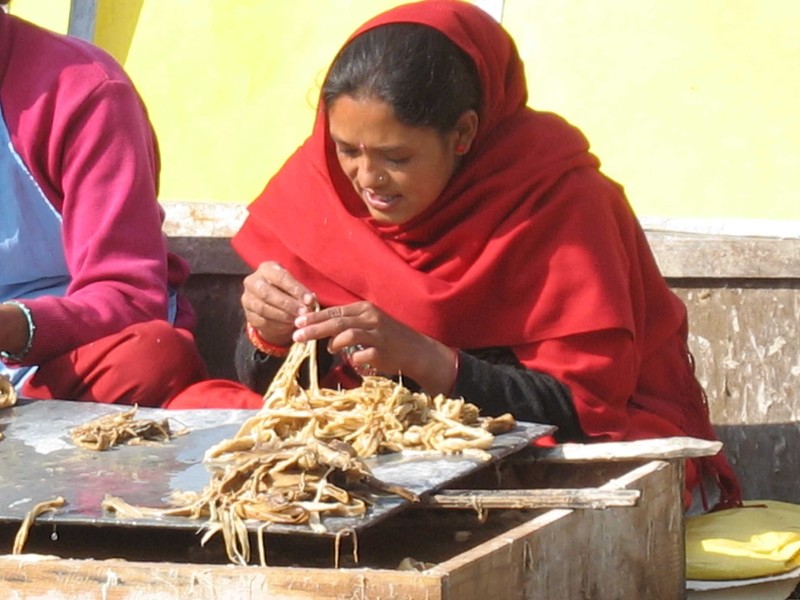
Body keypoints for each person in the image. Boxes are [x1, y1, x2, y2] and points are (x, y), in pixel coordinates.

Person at [168, 0, 741, 511]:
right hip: (375, 454)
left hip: (539, 454)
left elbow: (582, 409)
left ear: (464, 133)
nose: (367, 179)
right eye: (346, 149)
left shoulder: (560, 204)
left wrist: (428, 361)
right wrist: (268, 335)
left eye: (396, 156)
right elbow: (285, 386)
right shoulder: (322, 192)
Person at [0, 4, 207, 406]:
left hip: (69, 358)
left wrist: (15, 326)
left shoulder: (86, 92)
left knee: (148, 356)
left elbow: (127, 295)